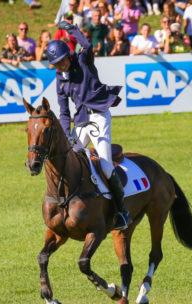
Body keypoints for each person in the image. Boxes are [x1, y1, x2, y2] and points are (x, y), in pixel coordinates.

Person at [47, 21, 130, 229]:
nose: (61, 65)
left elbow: (87, 45)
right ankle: (69, 202)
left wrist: (71, 29)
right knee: (69, 159)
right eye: (56, 63)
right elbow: (64, 112)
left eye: (62, 60)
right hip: (82, 121)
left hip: (100, 116)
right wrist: (67, 135)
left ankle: (122, 212)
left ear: (68, 55)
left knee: (105, 165)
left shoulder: (82, 60)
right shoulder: (60, 81)